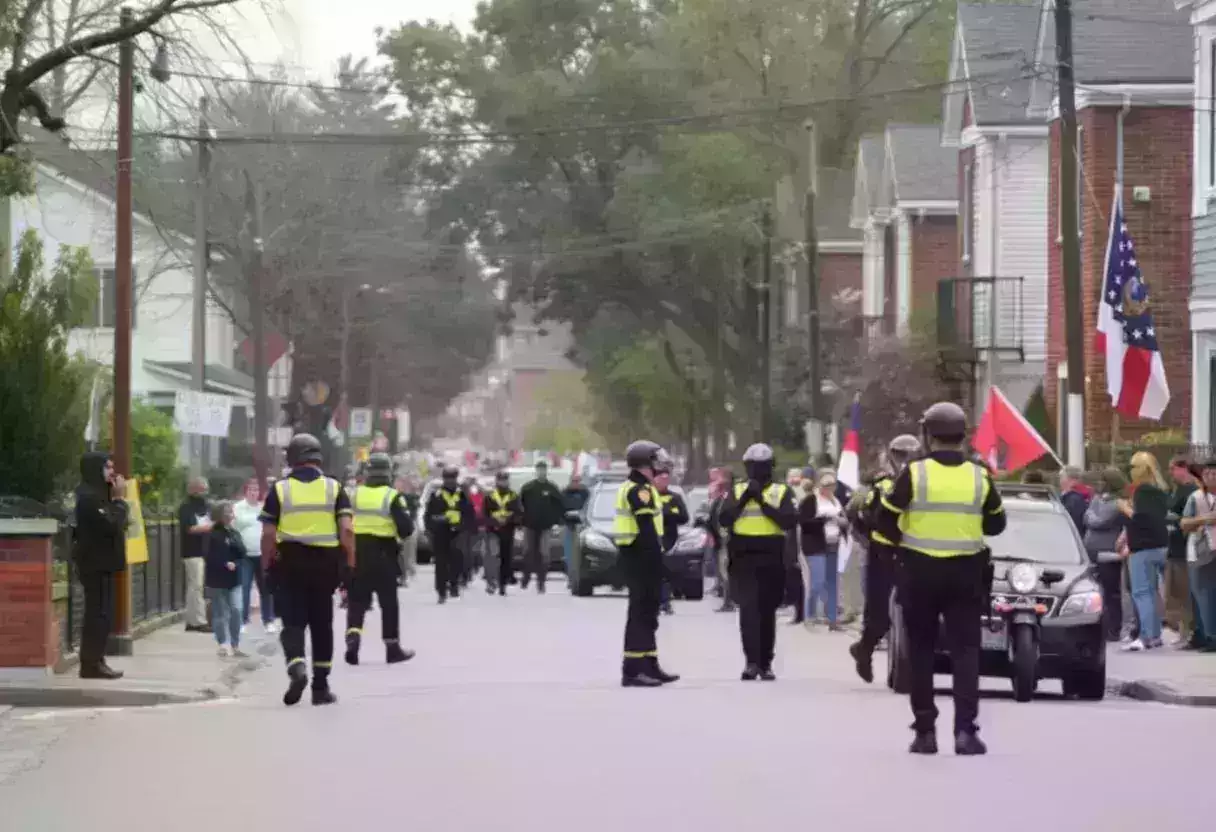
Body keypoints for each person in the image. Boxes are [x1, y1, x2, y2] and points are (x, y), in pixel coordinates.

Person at [875, 402, 1005, 756]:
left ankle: (925, 732)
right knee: (965, 652)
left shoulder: (914, 474)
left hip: (919, 574)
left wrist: (897, 552)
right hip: (966, 575)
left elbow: (884, 521)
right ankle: (965, 732)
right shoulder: (979, 476)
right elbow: (996, 524)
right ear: (963, 435)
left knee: (921, 652)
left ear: (928, 435)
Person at [260, 433, 355, 707]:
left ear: (292, 459)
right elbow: (347, 530)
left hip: (289, 562)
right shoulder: (334, 489)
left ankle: (297, 667)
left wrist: (268, 565)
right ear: (318, 458)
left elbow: (268, 535)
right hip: (325, 565)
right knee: (322, 626)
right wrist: (349, 565)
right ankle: (321, 687)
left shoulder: (279, 490)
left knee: (292, 622)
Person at [717, 444, 797, 681]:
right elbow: (724, 518)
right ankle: (751, 662)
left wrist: (761, 502)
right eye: (753, 467)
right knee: (748, 610)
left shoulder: (782, 492)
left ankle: (766, 663)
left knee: (767, 611)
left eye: (761, 467)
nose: (757, 471)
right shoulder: (737, 489)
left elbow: (788, 521)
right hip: (743, 555)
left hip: (772, 554)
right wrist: (744, 500)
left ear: (770, 467)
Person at [848, 434, 921, 683]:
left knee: (914, 611)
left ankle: (905, 666)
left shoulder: (923, 484)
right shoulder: (881, 487)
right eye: (900, 454)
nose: (905, 459)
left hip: (915, 554)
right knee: (878, 615)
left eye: (909, 454)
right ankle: (864, 649)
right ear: (891, 455)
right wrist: (870, 541)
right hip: (883, 555)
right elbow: (861, 516)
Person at [615, 440, 679, 687]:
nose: (659, 463)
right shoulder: (638, 490)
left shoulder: (645, 487)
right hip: (639, 556)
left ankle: (650, 664)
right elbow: (646, 529)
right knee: (640, 613)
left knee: (650, 612)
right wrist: (658, 559)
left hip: (644, 556)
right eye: (655, 459)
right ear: (644, 463)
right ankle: (633, 669)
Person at [344, 453, 415, 666]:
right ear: (388, 473)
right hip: (384, 555)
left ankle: (353, 639)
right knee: (388, 603)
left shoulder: (354, 495)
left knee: (357, 602)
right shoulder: (391, 496)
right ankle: (392, 648)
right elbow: (406, 529)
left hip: (358, 553)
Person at [72, 451, 129, 680]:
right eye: (107, 467)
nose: (112, 471)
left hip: (104, 562)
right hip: (93, 563)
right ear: (96, 468)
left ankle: (98, 659)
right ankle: (90, 663)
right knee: (97, 614)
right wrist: (119, 501)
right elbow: (111, 524)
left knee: (104, 614)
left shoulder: (99, 494)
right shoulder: (87, 497)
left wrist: (115, 499)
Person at [1117, 451, 1171, 652]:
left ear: (1142, 469)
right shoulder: (1161, 490)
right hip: (1161, 545)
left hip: (1142, 547)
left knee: (1142, 592)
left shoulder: (1141, 491)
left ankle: (1147, 636)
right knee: (1152, 591)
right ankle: (1155, 635)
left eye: (1133, 467)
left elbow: (1141, 519)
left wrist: (1125, 508)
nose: (1130, 471)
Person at [1083, 467, 1129, 642]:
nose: (1098, 484)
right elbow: (1086, 516)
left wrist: (1091, 517)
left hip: (1109, 553)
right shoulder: (1097, 499)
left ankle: (1114, 628)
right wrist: (1091, 516)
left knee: (1111, 592)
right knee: (1095, 592)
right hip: (1092, 552)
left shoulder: (1119, 502)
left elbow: (1100, 520)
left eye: (1102, 480)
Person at [799, 469, 847, 629]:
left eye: (832, 486)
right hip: (815, 546)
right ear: (820, 485)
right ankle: (810, 614)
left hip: (833, 544)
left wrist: (842, 523)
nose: (829, 489)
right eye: (826, 485)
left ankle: (832, 619)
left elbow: (843, 518)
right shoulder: (811, 500)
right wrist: (824, 520)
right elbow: (804, 522)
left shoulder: (836, 501)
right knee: (817, 582)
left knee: (832, 583)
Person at [1180, 459, 1216, 652]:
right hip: (1201, 552)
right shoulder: (1196, 498)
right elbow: (1184, 524)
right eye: (1207, 473)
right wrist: (1204, 519)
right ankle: (1205, 635)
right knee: (1202, 594)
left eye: (1214, 473)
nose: (1210, 476)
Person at [233, 479, 278, 633]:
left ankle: (268, 620)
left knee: (266, 588)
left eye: (256, 490)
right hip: (245, 554)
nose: (253, 492)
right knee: (244, 588)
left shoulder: (262, 508)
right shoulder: (238, 508)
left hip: (262, 554)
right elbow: (235, 525)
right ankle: (242, 620)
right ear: (245, 491)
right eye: (251, 489)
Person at [1164, 456, 1199, 648]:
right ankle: (1182, 630)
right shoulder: (1176, 490)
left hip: (1185, 548)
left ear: (1184, 468)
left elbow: (1189, 518)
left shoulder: (1192, 491)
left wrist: (1175, 519)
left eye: (1173, 469)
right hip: (1173, 547)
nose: (1171, 473)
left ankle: (1190, 631)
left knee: (1186, 592)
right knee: (1175, 592)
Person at [205, 502, 247, 659]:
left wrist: (234, 562)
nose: (230, 515)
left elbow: (242, 552)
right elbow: (209, 555)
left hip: (233, 579)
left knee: (236, 610)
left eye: (231, 512)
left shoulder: (234, 533)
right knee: (219, 612)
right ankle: (222, 643)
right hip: (217, 578)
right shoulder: (212, 534)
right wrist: (224, 563)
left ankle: (235, 644)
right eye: (226, 512)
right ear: (220, 515)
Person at [426, 466, 471, 603]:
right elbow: (429, 515)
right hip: (440, 533)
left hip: (457, 532)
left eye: (453, 478)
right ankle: (441, 591)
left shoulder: (462, 495)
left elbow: (469, 513)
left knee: (457, 559)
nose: (450, 481)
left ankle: (454, 586)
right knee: (441, 563)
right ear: (444, 479)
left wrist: (464, 526)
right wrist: (433, 527)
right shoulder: (436, 495)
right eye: (448, 479)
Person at [519, 461, 565, 593]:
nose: (541, 472)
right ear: (536, 471)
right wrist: (521, 521)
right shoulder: (528, 488)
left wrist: (556, 520)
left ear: (546, 471)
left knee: (544, 554)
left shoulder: (551, 488)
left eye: (543, 470)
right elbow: (520, 505)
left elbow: (560, 505)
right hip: (529, 526)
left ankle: (541, 582)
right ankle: (526, 577)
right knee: (527, 552)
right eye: (539, 470)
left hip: (546, 527)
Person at [178, 478, 212, 633]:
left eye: (205, 489)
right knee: (196, 587)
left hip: (204, 550)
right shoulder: (186, 508)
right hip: (192, 551)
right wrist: (210, 527)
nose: (204, 492)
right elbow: (190, 528)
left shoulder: (206, 507)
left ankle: (192, 620)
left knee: (195, 588)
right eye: (202, 489)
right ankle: (198, 621)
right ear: (192, 490)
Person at [655, 464, 689, 616]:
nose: (664, 482)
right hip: (652, 538)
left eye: (666, 479)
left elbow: (684, 517)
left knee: (665, 571)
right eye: (661, 479)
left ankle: (665, 602)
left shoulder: (675, 498)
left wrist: (668, 515)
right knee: (654, 572)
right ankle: (655, 603)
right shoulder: (649, 496)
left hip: (669, 540)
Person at [484, 471, 522, 595]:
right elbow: (485, 514)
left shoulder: (513, 496)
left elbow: (519, 513)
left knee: (506, 558)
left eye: (505, 480)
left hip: (507, 530)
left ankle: (503, 584)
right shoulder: (490, 496)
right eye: (500, 480)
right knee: (493, 557)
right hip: (493, 531)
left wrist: (510, 520)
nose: (503, 482)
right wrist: (493, 522)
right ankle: (492, 581)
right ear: (496, 481)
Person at [708, 469, 736, 613]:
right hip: (721, 541)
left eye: (721, 479)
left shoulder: (733, 497)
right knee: (724, 572)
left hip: (730, 540)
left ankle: (730, 601)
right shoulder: (720, 498)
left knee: (728, 572)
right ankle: (727, 601)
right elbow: (712, 517)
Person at [561, 475, 591, 572]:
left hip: (582, 526)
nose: (576, 483)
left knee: (582, 551)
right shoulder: (564, 493)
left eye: (578, 481)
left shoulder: (585, 493)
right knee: (569, 552)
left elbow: (589, 507)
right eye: (574, 481)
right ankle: (570, 572)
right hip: (568, 524)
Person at [396, 476, 420, 587]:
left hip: (408, 527)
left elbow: (413, 512)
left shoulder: (412, 497)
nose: (399, 486)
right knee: (401, 553)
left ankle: (406, 573)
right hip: (396, 527)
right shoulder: (395, 496)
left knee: (407, 552)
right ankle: (403, 574)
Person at [1058, 466, 1092, 535]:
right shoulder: (1069, 496)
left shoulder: (1075, 499)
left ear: (1072, 480)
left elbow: (1075, 523)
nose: (1060, 481)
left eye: (1062, 477)